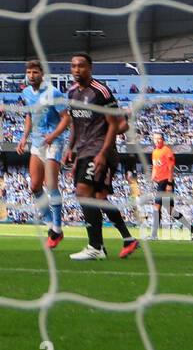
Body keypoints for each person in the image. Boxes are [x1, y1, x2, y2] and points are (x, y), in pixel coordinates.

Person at [54, 53, 139, 261]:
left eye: (81, 66)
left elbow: (115, 124)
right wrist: (70, 149)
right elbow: (75, 124)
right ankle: (123, 239)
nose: (76, 70)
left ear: (90, 68)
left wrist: (102, 153)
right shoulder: (72, 93)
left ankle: (95, 246)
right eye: (73, 66)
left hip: (101, 151)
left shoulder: (101, 91)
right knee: (98, 199)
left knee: (83, 192)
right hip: (84, 151)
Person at [17, 59, 67, 248]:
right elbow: (29, 116)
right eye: (29, 72)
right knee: (35, 186)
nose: (31, 76)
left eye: (35, 72)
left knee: (51, 185)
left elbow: (66, 119)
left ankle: (57, 229)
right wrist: (24, 138)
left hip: (54, 142)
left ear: (42, 74)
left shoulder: (54, 93)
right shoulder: (26, 93)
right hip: (37, 143)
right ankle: (50, 225)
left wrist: (52, 135)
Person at [149, 132, 193, 240]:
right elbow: (155, 167)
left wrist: (169, 183)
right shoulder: (154, 152)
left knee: (157, 207)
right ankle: (191, 229)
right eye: (156, 139)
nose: (157, 141)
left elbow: (171, 168)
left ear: (163, 140)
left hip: (166, 181)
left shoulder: (167, 151)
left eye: (159, 139)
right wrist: (152, 178)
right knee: (170, 211)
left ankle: (154, 235)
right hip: (160, 182)